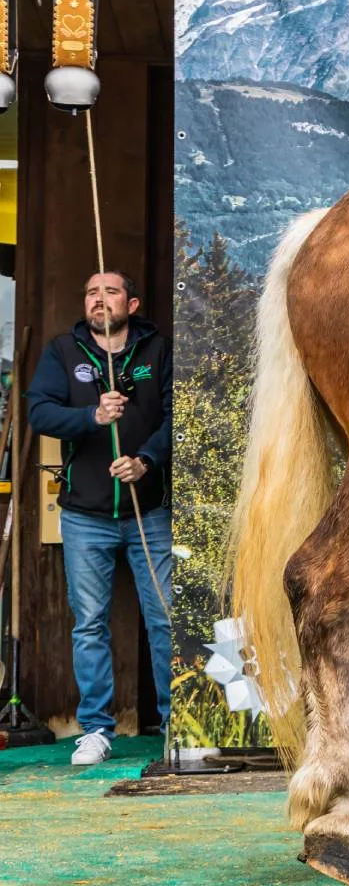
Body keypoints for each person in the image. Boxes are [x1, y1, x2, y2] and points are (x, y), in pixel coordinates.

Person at [25, 271, 174, 766]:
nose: (98, 299)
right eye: (90, 291)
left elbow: (180, 415)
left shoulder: (157, 351)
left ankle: (176, 724)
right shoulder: (63, 351)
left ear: (131, 302)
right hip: (86, 513)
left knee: (165, 621)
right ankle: (96, 729)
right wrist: (90, 417)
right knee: (88, 625)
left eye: (109, 291)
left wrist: (145, 461)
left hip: (148, 509)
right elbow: (40, 412)